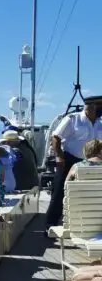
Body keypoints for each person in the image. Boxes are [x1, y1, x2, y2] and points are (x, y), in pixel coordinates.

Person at [46, 96, 102, 226]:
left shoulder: (100, 123)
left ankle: (87, 224)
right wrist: (59, 156)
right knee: (61, 190)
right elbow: (56, 138)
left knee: (92, 192)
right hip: (70, 160)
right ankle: (51, 224)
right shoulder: (73, 119)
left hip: (94, 163)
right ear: (92, 107)